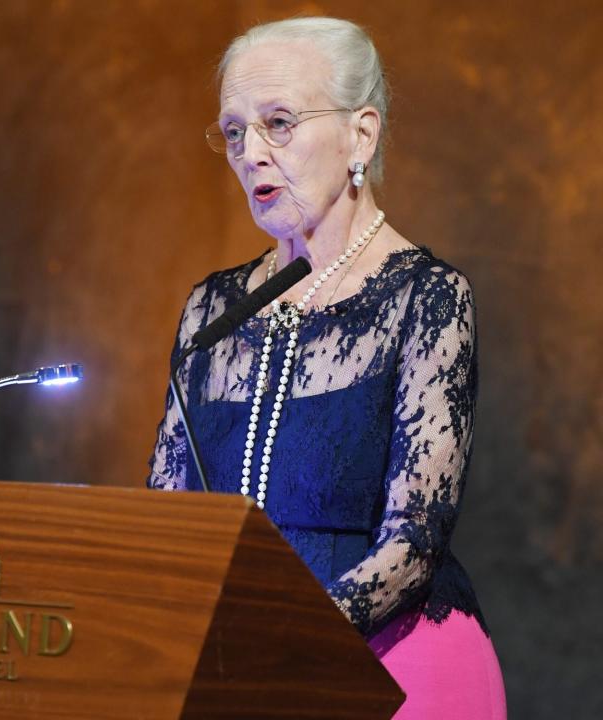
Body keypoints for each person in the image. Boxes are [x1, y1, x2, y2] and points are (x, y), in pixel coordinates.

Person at [147, 17, 506, 720]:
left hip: (393, 668)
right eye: (234, 130)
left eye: (278, 123)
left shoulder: (426, 299)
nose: (251, 151)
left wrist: (282, 643)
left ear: (361, 135)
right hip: (232, 674)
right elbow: (166, 525)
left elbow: (415, 540)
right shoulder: (210, 310)